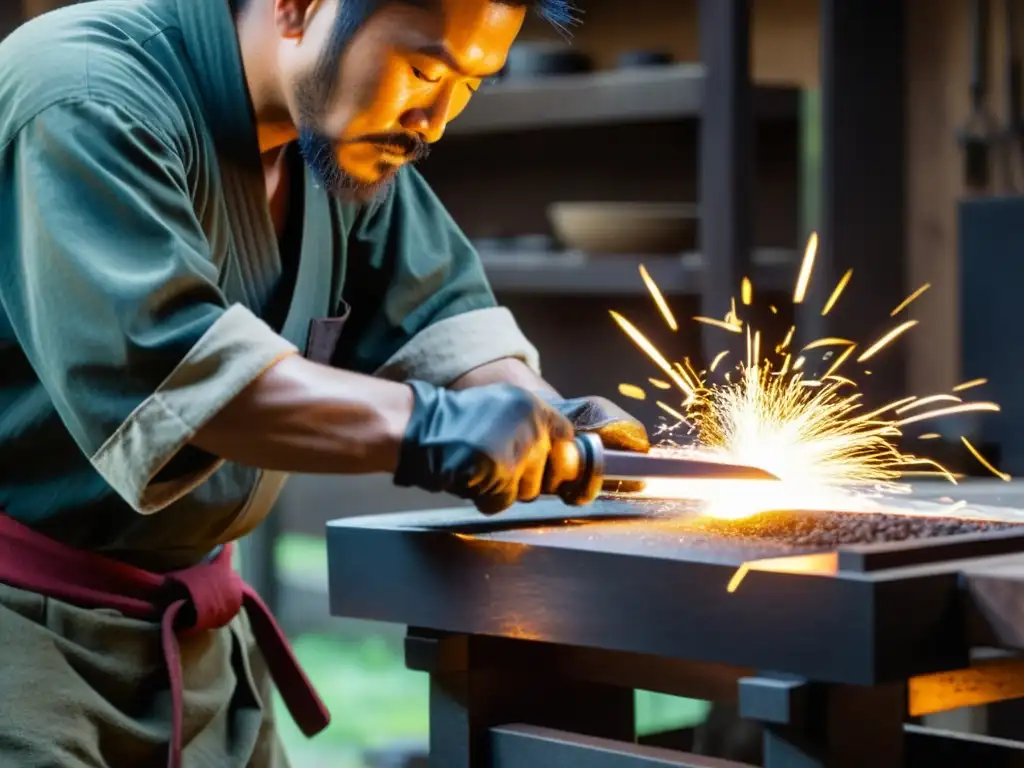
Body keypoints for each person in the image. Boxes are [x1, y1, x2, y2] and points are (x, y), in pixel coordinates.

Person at [0, 0, 649, 764]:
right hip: (22, 638)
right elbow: (184, 380)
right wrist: (431, 426)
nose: (434, 120)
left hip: (200, 648)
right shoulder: (82, 93)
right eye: (423, 70)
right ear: (300, 7)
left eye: (469, 84)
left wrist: (545, 416)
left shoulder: (341, 142)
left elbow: (442, 322)